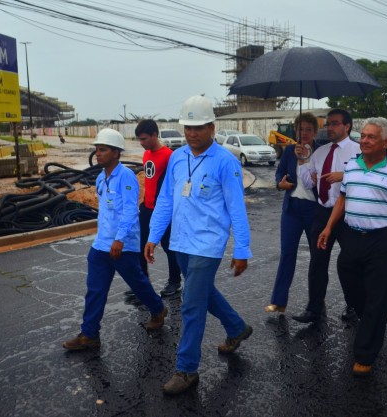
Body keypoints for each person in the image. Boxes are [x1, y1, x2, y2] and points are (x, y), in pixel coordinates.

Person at [145, 95, 253, 395]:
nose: (192, 133)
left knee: (191, 305)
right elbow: (166, 199)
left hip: (208, 244)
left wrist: (242, 249)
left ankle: (187, 369)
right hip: (179, 242)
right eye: (187, 127)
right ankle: (236, 328)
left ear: (212, 128)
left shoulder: (226, 162)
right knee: (203, 292)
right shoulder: (178, 157)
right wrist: (154, 236)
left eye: (199, 128)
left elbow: (236, 208)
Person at [318, 117, 387, 377]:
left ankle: (365, 353)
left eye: (371, 137)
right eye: (362, 136)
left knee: (378, 294)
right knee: (349, 279)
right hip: (351, 235)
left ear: (385, 141)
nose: (363, 140)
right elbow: (343, 197)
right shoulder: (352, 165)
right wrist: (329, 227)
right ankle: (372, 320)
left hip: (382, 238)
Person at [63, 128, 167, 351]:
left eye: (102, 150)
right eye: (97, 150)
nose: (97, 154)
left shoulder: (126, 177)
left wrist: (119, 239)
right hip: (101, 245)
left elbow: (130, 211)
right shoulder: (101, 178)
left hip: (124, 245)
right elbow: (107, 213)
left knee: (138, 283)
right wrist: (105, 238)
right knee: (95, 290)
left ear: (116, 153)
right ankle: (89, 334)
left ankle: (158, 308)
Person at [292, 109, 360, 323]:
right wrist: (303, 161)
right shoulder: (320, 153)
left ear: (347, 126)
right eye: (328, 124)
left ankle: (354, 305)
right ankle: (314, 308)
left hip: (348, 212)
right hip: (322, 212)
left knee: (350, 263)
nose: (329, 128)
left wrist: (346, 174)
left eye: (335, 124)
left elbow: (371, 176)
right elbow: (308, 183)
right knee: (318, 261)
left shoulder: (359, 151)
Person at [265, 112, 319, 314]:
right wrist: (280, 183)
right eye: (300, 129)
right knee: (287, 254)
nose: (303, 133)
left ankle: (317, 298)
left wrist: (306, 162)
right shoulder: (289, 151)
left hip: (314, 210)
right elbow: (279, 174)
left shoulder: (321, 152)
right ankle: (279, 301)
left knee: (317, 257)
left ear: (315, 131)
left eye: (308, 129)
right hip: (292, 210)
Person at [136, 119, 183, 297]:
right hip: (147, 208)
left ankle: (175, 281)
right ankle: (142, 283)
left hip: (163, 210)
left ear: (155, 135)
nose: (142, 143)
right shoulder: (146, 154)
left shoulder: (169, 155)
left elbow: (172, 185)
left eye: (144, 139)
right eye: (139, 140)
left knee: (168, 246)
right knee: (141, 246)